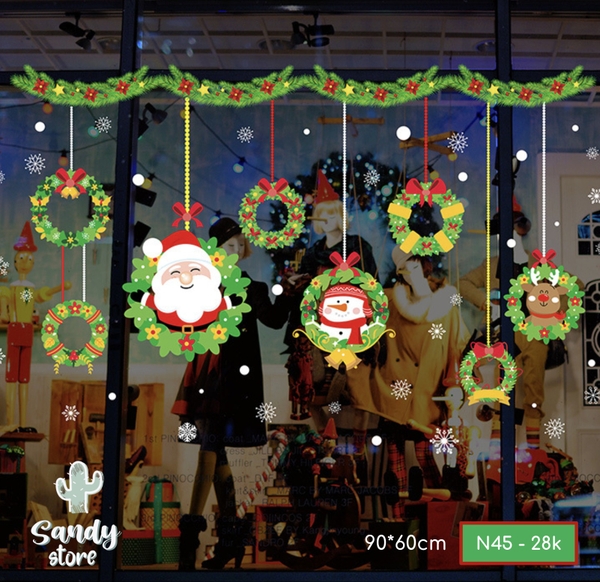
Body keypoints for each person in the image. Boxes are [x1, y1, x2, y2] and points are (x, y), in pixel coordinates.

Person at [171, 218, 293, 571]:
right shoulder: (200, 283)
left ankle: (193, 538)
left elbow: (273, 320)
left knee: (211, 449)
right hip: (208, 373)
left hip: (235, 380)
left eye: (239, 244)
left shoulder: (252, 288)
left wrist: (287, 292)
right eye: (228, 245)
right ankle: (229, 540)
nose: (235, 250)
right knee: (215, 451)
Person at [349, 247, 470, 518]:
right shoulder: (390, 301)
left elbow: (456, 346)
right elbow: (361, 326)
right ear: (400, 272)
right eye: (405, 268)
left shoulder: (447, 304)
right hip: (393, 388)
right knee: (395, 459)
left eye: (416, 266)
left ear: (426, 267)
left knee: (426, 455)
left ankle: (441, 516)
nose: (412, 273)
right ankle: (397, 520)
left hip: (429, 390)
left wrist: (457, 386)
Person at [284, 169, 378, 457]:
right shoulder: (312, 252)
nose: (325, 220)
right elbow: (303, 286)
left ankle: (358, 449)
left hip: (350, 325)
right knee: (312, 387)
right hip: (317, 326)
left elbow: (372, 284)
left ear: (341, 217)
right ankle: (328, 443)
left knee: (356, 387)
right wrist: (295, 283)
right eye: (320, 216)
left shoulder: (359, 247)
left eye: (330, 215)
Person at [460, 205, 549, 449]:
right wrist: (486, 302)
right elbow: (464, 283)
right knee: (503, 387)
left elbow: (573, 286)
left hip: (535, 332)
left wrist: (551, 312)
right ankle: (498, 450)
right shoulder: (492, 265)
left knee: (534, 388)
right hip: (506, 332)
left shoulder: (538, 264)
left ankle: (532, 451)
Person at [1, 222, 68, 427]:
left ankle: (22, 422)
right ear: (15, 261)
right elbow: (5, 300)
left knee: (24, 377)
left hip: (27, 331)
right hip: (15, 330)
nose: (25, 262)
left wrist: (59, 288)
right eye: (22, 258)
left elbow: (40, 295)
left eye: (29, 259)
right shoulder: (11, 288)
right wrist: (4, 311)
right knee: (11, 376)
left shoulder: (28, 289)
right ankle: (11, 422)